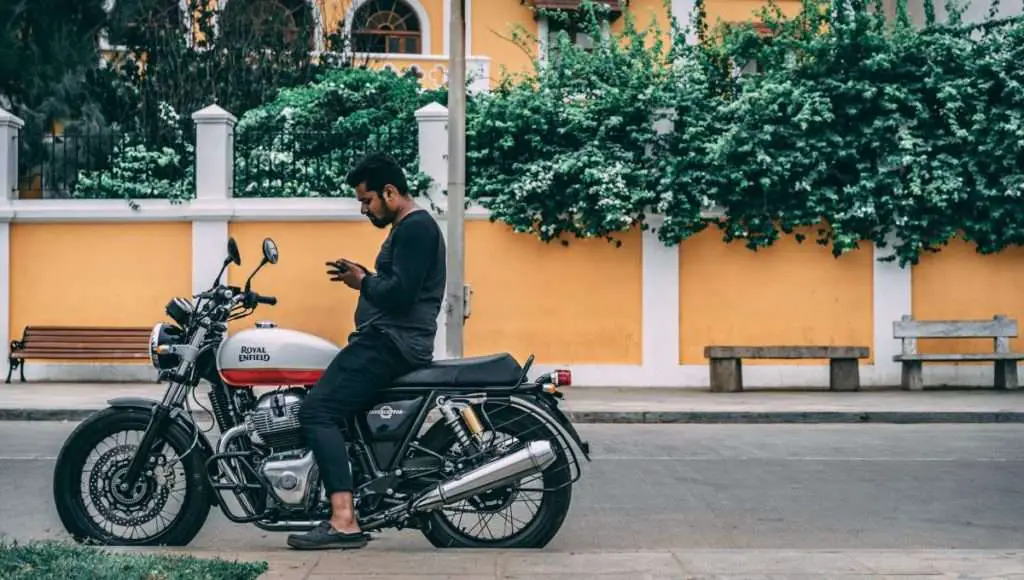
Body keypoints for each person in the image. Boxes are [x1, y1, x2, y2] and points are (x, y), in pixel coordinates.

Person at [287, 153, 446, 551]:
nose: (364, 209)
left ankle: (343, 520)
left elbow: (401, 294)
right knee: (336, 411)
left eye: (367, 200)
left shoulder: (415, 228)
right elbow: (395, 283)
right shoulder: (408, 229)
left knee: (316, 411)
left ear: (390, 192)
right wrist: (366, 277)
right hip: (388, 340)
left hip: (391, 343)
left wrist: (362, 282)